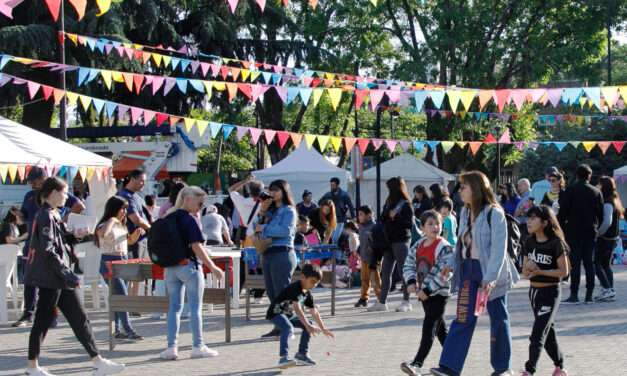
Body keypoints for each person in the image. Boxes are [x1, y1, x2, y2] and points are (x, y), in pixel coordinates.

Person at [23, 177, 124, 376]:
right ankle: (32, 367)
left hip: (58, 278)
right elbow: (48, 250)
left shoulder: (52, 214)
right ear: (52, 193)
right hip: (52, 279)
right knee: (42, 321)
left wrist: (75, 236)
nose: (67, 196)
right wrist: (69, 275)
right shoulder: (45, 215)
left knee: (80, 318)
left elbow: (57, 243)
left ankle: (98, 361)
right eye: (64, 192)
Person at [431, 171, 518, 376]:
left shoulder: (494, 213)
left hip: (490, 272)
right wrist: (451, 264)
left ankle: (502, 368)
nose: (460, 191)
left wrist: (491, 278)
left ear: (476, 188)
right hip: (469, 270)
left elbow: (499, 249)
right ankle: (449, 367)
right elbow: (460, 244)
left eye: (463, 187)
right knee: (463, 317)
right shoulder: (464, 212)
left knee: (498, 319)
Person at [13, 167, 84, 328]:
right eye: (30, 181)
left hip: (51, 244)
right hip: (32, 243)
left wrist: (63, 219)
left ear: (44, 179)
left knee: (52, 282)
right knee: (29, 280)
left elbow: (79, 205)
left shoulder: (56, 192)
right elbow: (24, 217)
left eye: (34, 181)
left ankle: (51, 317)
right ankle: (28, 314)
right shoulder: (29, 196)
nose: (31, 184)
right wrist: (19, 216)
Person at [159, 186, 225, 361]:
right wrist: (212, 267)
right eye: (199, 203)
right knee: (195, 308)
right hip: (188, 266)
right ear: (187, 199)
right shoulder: (189, 219)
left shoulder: (168, 217)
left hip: (170, 268)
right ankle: (198, 345)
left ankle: (171, 347)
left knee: (174, 308)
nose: (200, 207)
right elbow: (197, 246)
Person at [401, 210, 455, 376]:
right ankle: (453, 362)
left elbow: (445, 273)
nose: (435, 227)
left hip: (438, 294)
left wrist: (428, 289)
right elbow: (408, 264)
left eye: (437, 223)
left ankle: (417, 363)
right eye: (430, 224)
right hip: (423, 295)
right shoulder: (418, 245)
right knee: (441, 331)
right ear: (422, 227)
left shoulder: (444, 247)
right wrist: (411, 282)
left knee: (429, 326)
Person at [520, 205, 571, 376]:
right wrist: (528, 268)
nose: (529, 221)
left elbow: (564, 272)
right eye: (528, 218)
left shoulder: (556, 243)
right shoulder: (529, 241)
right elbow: (525, 273)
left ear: (545, 222)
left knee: (537, 334)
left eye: (533, 218)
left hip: (550, 293)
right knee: (547, 332)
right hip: (534, 293)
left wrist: (540, 271)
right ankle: (560, 366)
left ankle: (529, 370)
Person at [95, 196, 144, 341]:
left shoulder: (122, 225)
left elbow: (127, 242)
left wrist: (135, 235)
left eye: (125, 209)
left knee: (118, 298)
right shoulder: (106, 223)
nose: (124, 212)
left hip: (123, 260)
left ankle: (116, 329)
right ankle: (128, 329)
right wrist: (113, 219)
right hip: (109, 261)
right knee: (122, 297)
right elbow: (103, 234)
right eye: (122, 208)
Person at [266, 264, 334, 369]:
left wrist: (323, 328)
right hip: (276, 313)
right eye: (312, 281)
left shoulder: (307, 294)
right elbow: (297, 309)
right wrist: (306, 325)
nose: (314, 285)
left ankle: (302, 354)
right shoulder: (295, 288)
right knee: (288, 328)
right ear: (303, 277)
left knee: (310, 324)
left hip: (288, 315)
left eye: (316, 283)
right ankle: (284, 358)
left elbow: (314, 311)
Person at [255, 180, 298, 338]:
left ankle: (288, 328)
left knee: (282, 293)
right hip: (268, 253)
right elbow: (256, 228)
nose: (273, 193)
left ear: (284, 191)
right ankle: (280, 326)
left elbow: (285, 231)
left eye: (276, 190)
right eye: (271, 190)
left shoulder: (289, 211)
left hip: (283, 252)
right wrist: (263, 213)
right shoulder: (270, 211)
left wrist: (265, 228)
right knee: (272, 293)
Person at [557, 164, 604, 304]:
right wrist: (596, 227)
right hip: (590, 232)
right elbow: (600, 215)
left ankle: (574, 294)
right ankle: (589, 295)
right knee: (589, 263)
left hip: (573, 232)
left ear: (577, 175)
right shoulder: (596, 192)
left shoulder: (570, 190)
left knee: (575, 263)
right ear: (589, 176)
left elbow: (563, 212)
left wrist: (560, 229)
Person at [368, 177, 414, 313]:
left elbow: (409, 224)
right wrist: (389, 214)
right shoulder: (389, 202)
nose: (388, 190)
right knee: (386, 272)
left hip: (401, 241)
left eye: (390, 188)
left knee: (403, 271)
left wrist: (395, 217)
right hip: (388, 241)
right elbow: (382, 217)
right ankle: (382, 301)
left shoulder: (405, 204)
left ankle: (406, 301)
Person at [594, 176, 624, 302]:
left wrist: (598, 233)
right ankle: (609, 290)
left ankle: (607, 288)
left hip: (606, 238)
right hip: (613, 238)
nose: (597, 186)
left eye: (599, 184)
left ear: (604, 186)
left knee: (596, 263)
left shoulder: (607, 202)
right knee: (606, 265)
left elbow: (607, 222)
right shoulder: (615, 200)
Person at [117, 169, 151, 260]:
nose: (143, 183)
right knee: (134, 271)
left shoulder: (136, 196)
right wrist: (152, 228)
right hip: (133, 241)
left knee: (142, 271)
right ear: (132, 179)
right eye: (141, 181)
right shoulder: (125, 196)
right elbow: (136, 219)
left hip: (141, 240)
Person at [354, 205, 382, 308]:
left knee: (375, 281)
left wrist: (376, 257)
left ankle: (381, 299)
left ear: (369, 215)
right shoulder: (361, 227)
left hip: (373, 260)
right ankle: (363, 298)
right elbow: (363, 242)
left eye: (361, 214)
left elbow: (378, 244)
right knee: (364, 279)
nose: (359, 217)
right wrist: (358, 250)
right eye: (358, 215)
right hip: (364, 258)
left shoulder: (375, 227)